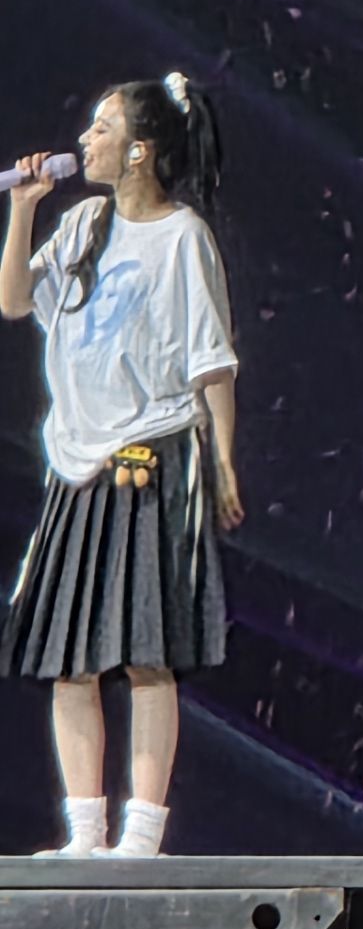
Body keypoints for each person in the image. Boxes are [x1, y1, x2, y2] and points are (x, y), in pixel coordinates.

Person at [0, 76, 240, 858]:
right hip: (78, 464)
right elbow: (13, 302)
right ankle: (84, 835)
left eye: (102, 128)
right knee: (70, 660)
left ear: (139, 150)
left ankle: (141, 836)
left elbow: (213, 365)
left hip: (151, 458)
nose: (85, 141)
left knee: (145, 654)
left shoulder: (182, 237)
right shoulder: (83, 224)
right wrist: (24, 209)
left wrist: (224, 462)